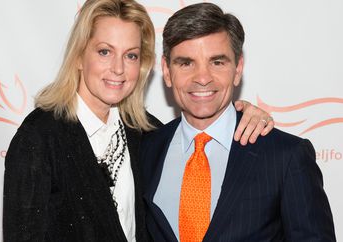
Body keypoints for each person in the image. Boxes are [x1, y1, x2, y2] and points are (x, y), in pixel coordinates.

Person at [2, 0, 274, 241]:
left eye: (131, 55)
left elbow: (207, 125)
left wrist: (243, 114)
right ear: (79, 56)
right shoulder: (39, 138)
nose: (118, 68)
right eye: (104, 52)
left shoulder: (144, 132)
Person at [140, 3, 336, 242]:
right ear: (167, 71)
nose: (202, 78)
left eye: (217, 62)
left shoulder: (286, 157)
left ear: (238, 68)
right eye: (186, 63)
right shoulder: (145, 149)